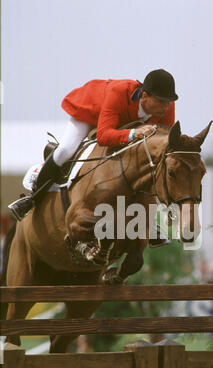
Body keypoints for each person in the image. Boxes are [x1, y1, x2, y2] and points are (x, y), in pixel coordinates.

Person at [8, 69, 178, 247]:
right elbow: (104, 136)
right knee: (66, 149)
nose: (166, 107)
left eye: (168, 102)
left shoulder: (165, 107)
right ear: (144, 95)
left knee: (149, 164)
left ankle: (149, 221)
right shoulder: (119, 92)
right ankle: (32, 197)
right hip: (91, 112)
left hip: (120, 122)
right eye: (161, 102)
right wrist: (134, 133)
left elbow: (160, 146)